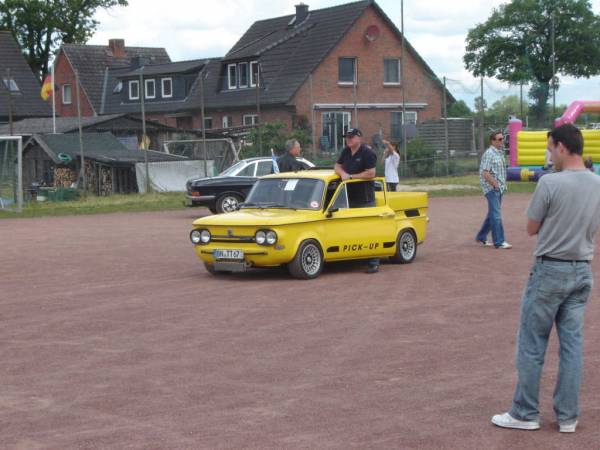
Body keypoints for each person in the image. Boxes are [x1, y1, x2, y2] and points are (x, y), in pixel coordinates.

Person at [491, 123, 600, 433]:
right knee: (572, 346)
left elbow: (530, 228)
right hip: (582, 269)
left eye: (551, 148)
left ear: (562, 147)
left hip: (550, 269)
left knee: (532, 343)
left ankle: (525, 412)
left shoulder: (550, 183)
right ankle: (568, 416)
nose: (549, 155)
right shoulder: (597, 183)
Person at [334, 128, 379, 273]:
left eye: (351, 137)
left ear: (359, 138)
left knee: (369, 230)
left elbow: (371, 173)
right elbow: (337, 166)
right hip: (348, 199)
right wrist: (343, 174)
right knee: (353, 230)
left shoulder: (367, 152)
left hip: (364, 198)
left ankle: (373, 261)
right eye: (347, 137)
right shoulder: (346, 151)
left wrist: (351, 177)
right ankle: (354, 258)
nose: (348, 139)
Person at [475, 131, 512, 249]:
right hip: (491, 188)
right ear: (493, 141)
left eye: (503, 139)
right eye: (500, 139)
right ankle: (499, 241)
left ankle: (481, 236)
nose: (502, 141)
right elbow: (485, 173)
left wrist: (501, 185)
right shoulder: (489, 153)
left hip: (499, 188)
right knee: (496, 215)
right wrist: (495, 185)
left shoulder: (500, 153)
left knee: (492, 214)